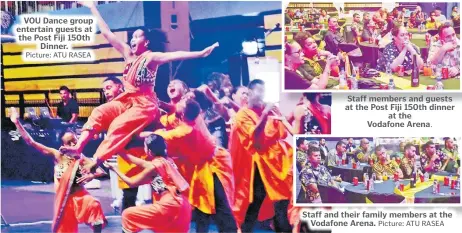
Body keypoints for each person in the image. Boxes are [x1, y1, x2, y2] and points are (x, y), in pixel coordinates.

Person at [59, 1, 218, 173]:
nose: (132, 39)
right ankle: (78, 147)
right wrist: (92, 8)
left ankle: (97, 161)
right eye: (132, 36)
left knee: (118, 125)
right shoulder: (127, 53)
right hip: (127, 100)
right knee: (99, 112)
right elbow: (106, 33)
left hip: (145, 105)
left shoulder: (150, 58)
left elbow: (173, 55)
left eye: (137, 36)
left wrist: (200, 53)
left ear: (147, 42)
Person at [9, 107, 107, 233]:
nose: (73, 144)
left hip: (80, 196)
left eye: (74, 141)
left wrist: (91, 176)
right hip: (63, 202)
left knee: (94, 204)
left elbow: (101, 171)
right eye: (69, 142)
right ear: (63, 145)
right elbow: (31, 142)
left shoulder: (80, 157)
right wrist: (17, 122)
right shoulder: (57, 155)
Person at [151, 97, 237, 233]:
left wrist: (141, 134)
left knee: (220, 203)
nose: (178, 103)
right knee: (202, 204)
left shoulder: (185, 130)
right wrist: (161, 104)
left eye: (181, 103)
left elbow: (159, 136)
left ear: (183, 114)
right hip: (205, 165)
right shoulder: (193, 117)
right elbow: (173, 111)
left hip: (216, 164)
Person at [230, 79, 292, 232]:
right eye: (259, 91)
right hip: (260, 165)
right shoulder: (242, 115)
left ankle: (247, 229)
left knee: (268, 200)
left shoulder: (271, 110)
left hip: (278, 162)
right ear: (249, 93)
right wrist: (265, 115)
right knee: (267, 202)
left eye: (264, 91)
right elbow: (256, 141)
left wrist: (277, 116)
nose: (262, 95)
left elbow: (282, 132)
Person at [105, 134, 191, 233]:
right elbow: (141, 163)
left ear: (149, 151)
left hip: (169, 206)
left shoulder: (153, 166)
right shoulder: (167, 161)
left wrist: (115, 169)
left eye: (144, 146)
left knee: (128, 215)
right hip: (183, 206)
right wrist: (120, 152)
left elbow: (131, 183)